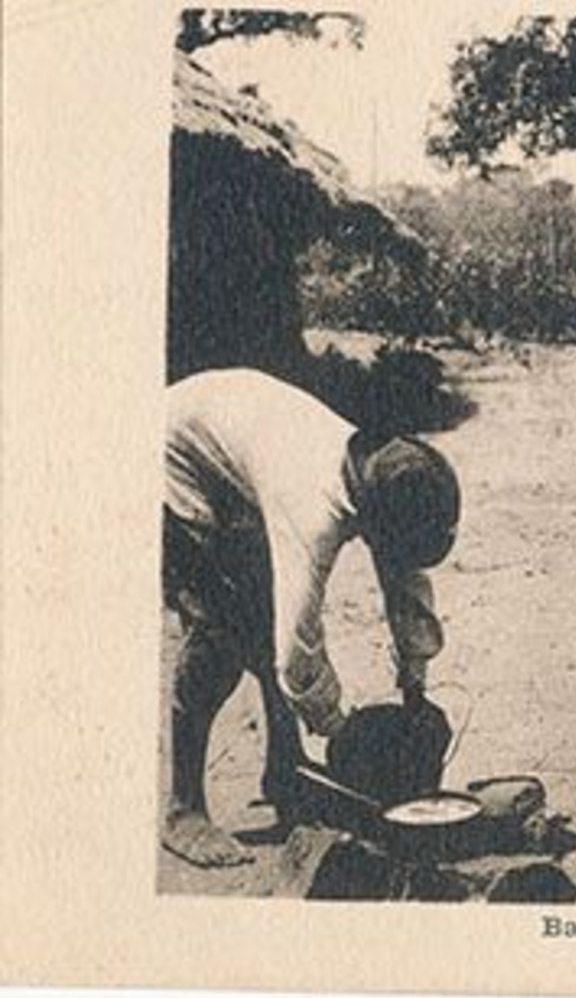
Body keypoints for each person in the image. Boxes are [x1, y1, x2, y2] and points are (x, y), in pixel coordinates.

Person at [161, 367, 461, 867]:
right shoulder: (312, 513)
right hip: (175, 453)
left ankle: (285, 770)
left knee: (258, 609)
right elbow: (295, 654)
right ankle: (183, 809)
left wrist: (416, 689)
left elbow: (406, 582)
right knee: (219, 635)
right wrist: (343, 735)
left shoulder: (384, 472)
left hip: (238, 434)